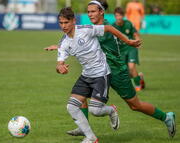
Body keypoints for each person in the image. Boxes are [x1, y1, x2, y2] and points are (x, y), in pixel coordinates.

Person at [46, 0, 176, 139]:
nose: (90, 14)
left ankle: (166, 117)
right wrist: (62, 47)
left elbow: (86, 37)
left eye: (93, 11)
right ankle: (84, 128)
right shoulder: (91, 27)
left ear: (101, 11)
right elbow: (77, 40)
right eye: (88, 12)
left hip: (116, 71)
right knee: (81, 97)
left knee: (135, 105)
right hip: (99, 72)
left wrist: (128, 41)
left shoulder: (104, 27)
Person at [55, 7, 140, 143]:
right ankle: (91, 137)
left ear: (73, 21)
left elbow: (108, 28)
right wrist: (60, 68)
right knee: (71, 106)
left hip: (101, 74)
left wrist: (128, 41)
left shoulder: (86, 29)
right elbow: (59, 62)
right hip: (86, 75)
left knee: (95, 110)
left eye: (66, 22)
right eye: (61, 23)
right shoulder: (64, 42)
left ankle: (111, 110)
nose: (63, 26)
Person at [113, 7, 145, 91]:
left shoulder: (128, 23)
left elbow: (135, 34)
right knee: (125, 72)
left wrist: (137, 41)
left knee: (131, 67)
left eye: (120, 15)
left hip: (131, 48)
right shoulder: (112, 26)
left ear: (123, 16)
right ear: (114, 16)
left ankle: (138, 86)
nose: (118, 17)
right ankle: (139, 77)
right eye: (117, 16)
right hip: (121, 50)